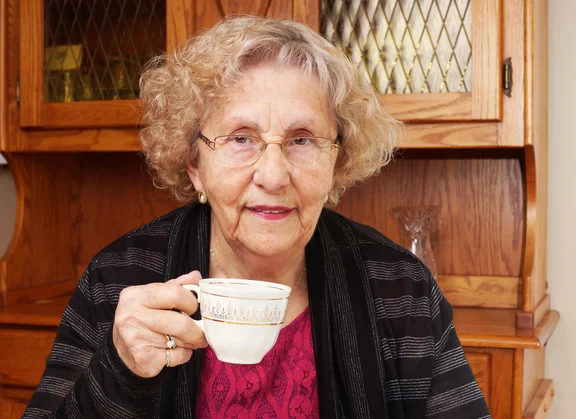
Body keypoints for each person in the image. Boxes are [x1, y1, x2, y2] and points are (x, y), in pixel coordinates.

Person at [24, 16, 490, 419]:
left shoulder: (400, 289)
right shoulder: (119, 278)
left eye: (302, 139)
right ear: (194, 165)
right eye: (241, 138)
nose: (272, 174)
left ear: (336, 161)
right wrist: (118, 369)